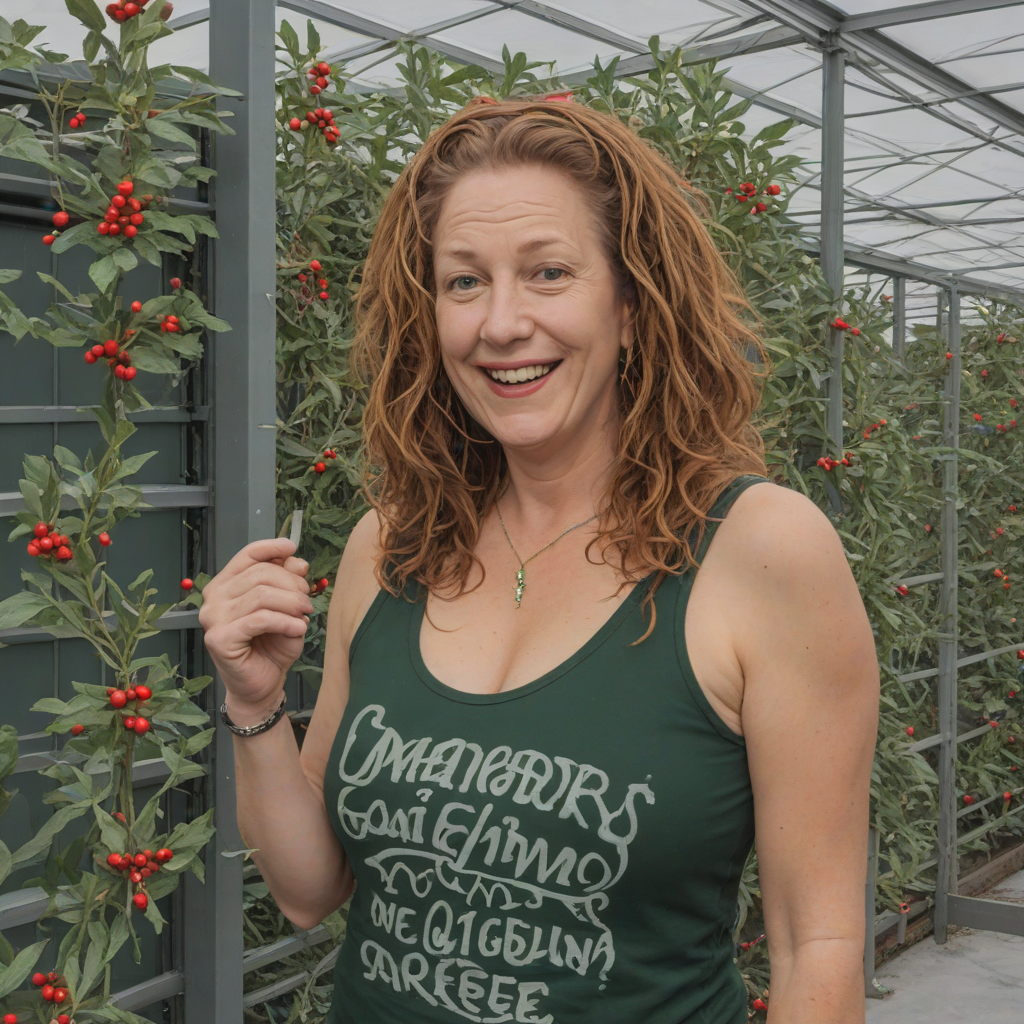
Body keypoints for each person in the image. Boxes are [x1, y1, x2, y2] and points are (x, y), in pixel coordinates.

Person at [199, 96, 880, 1024]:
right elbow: (310, 889)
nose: (502, 323)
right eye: (464, 282)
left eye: (548, 272)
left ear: (631, 304)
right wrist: (254, 704)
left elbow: (819, 945)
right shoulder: (390, 545)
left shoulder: (759, 550)